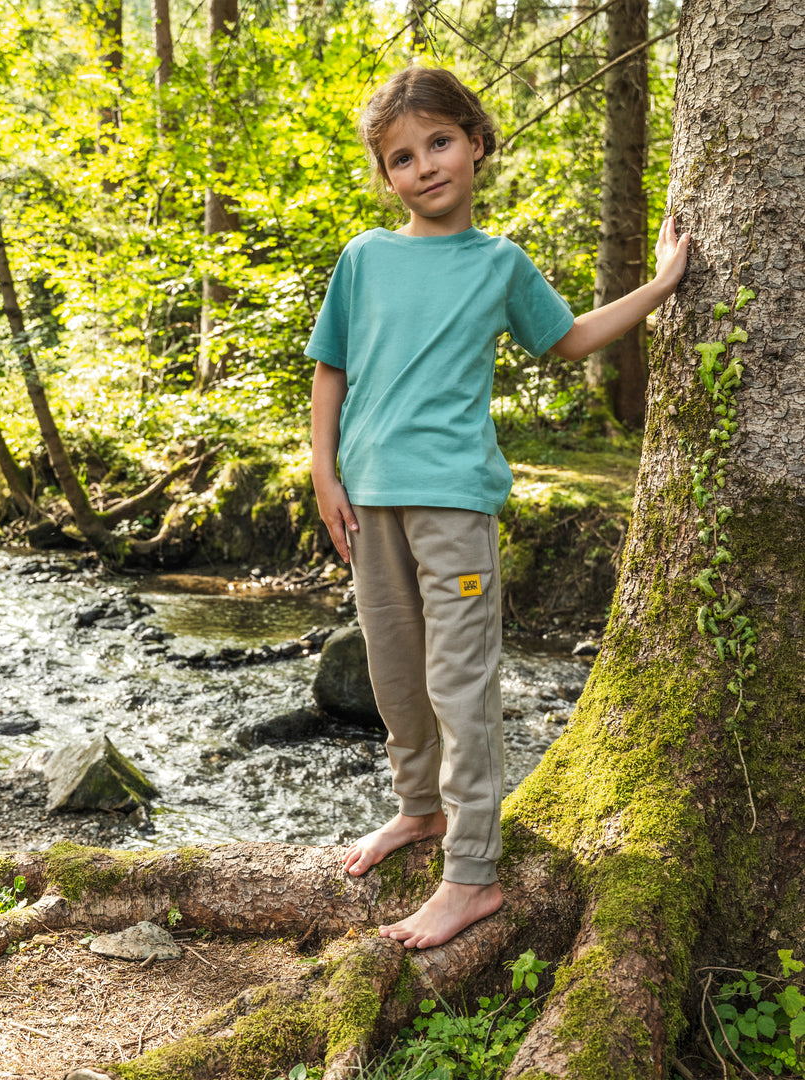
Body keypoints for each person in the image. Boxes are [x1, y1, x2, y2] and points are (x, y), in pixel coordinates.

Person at [306, 66, 689, 950]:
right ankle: (419, 812)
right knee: (396, 677)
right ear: (387, 175)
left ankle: (472, 873)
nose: (425, 166)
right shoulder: (364, 258)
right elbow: (332, 369)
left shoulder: (499, 264)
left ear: (476, 143)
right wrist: (324, 472)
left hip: (455, 504)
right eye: (402, 157)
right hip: (366, 502)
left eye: (440, 143)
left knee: (460, 684)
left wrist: (664, 282)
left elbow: (570, 339)